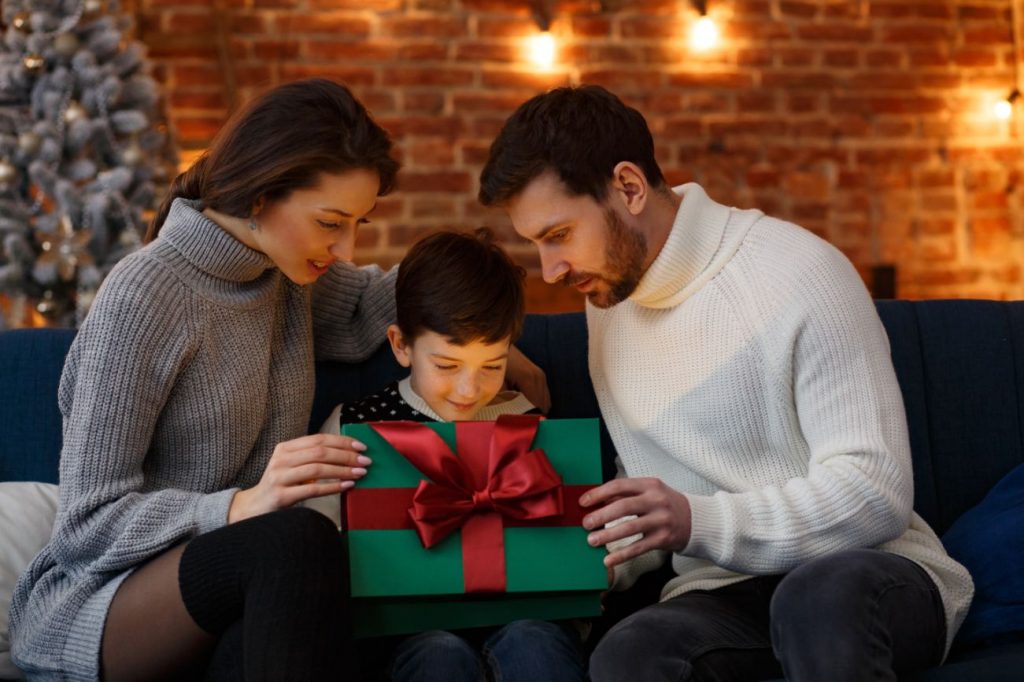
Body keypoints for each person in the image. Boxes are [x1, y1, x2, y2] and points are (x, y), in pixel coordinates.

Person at [8, 78, 546, 682]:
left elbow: (392, 293)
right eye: (331, 222)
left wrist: (489, 341)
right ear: (261, 197)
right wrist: (240, 506)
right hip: (111, 606)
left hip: (254, 599)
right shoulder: (144, 294)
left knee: (364, 602)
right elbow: (86, 526)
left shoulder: (287, 275)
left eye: (359, 224)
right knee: (298, 538)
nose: (345, 249)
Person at [478, 84, 974, 682]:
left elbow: (875, 493)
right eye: (535, 245)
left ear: (629, 188)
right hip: (724, 592)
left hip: (867, 571)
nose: (550, 270)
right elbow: (656, 487)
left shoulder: (800, 272)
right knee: (628, 654)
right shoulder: (609, 304)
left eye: (557, 236)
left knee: (816, 602)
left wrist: (696, 521)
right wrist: (589, 557)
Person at [316, 228, 586, 682]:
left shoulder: (529, 423)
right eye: (446, 365)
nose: (468, 389)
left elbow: (575, 523)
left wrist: (595, 564)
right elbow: (316, 532)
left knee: (535, 642)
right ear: (401, 345)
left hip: (525, 618)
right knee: (438, 653)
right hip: (407, 632)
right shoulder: (356, 426)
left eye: (493, 366)